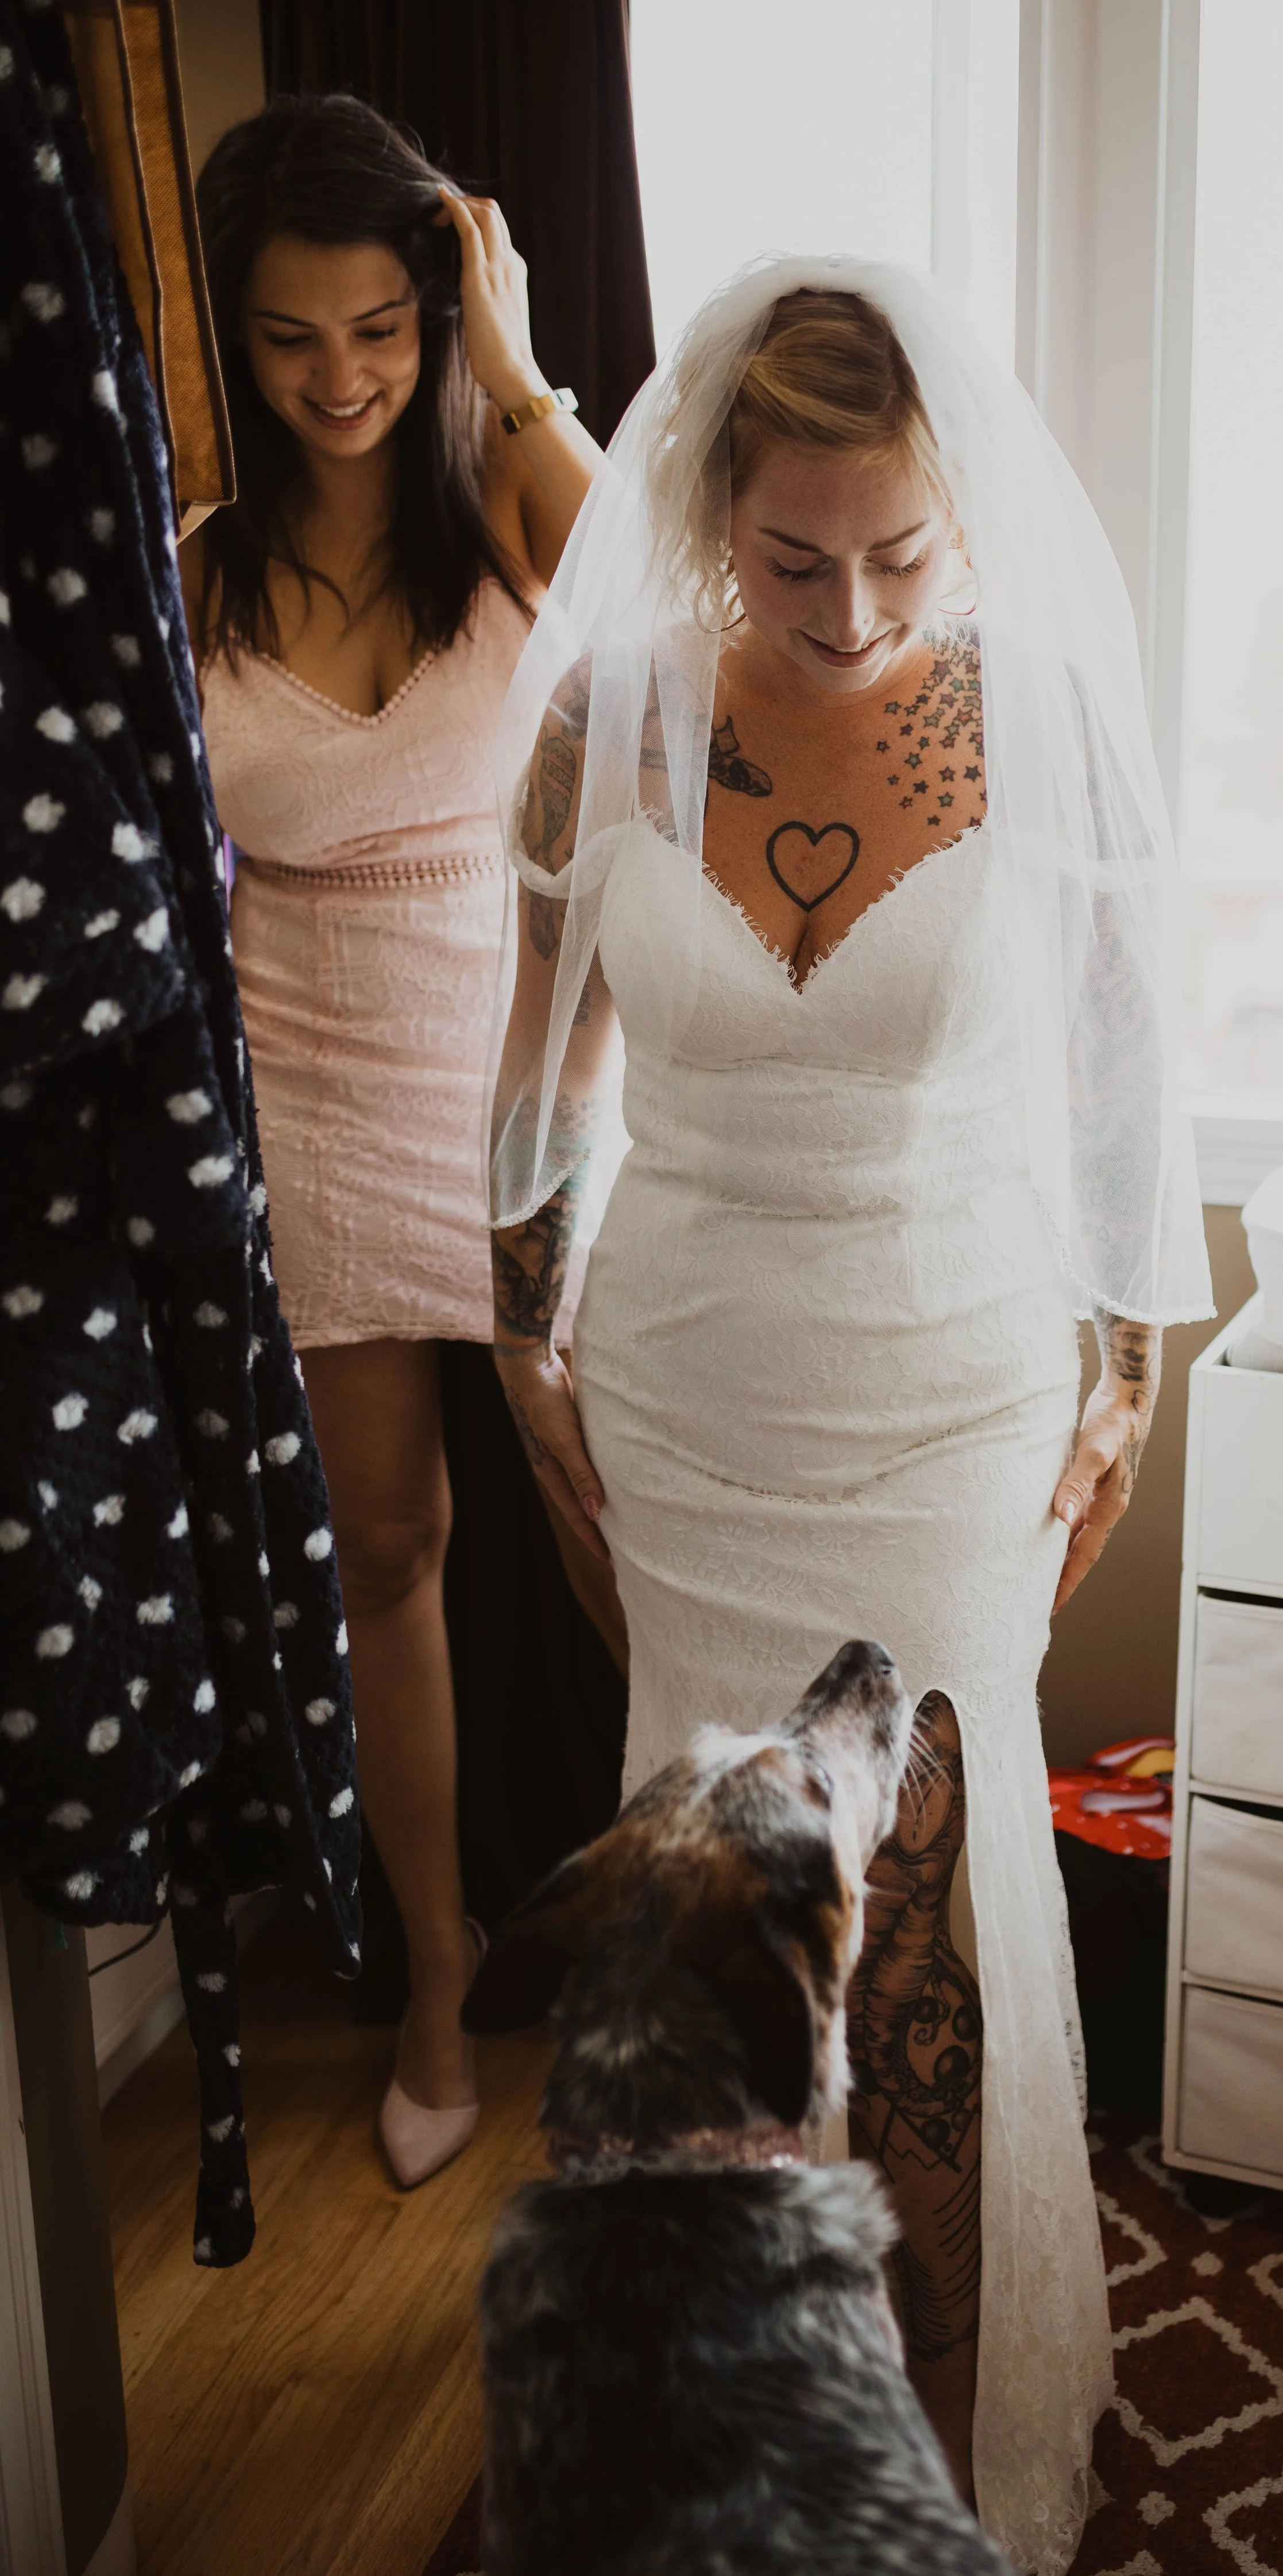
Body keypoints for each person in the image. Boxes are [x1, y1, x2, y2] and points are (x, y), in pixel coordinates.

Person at [484, 264, 1214, 2574]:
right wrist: (530, 1340)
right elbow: (544, 1080)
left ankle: (944, 2407)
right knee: (711, 1921)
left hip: (951, 1383)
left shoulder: (1042, 720)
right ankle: (722, 2411)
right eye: (796, 557)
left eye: (901, 553)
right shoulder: (599, 716)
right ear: (710, 508)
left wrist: (1127, 1365)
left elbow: (1114, 1094)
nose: (853, 605)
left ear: (961, 516)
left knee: (936, 1923)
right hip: (691, 1392)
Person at [182, 96, 616, 2190]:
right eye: (289, 339)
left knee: (630, 1550)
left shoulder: (513, 496)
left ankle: (694, 1984)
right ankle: (433, 1985)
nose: (343, 379)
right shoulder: (191, 569)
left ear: (436, 311)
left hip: (533, 1070)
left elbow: (673, 637)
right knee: (391, 1553)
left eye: (380, 327)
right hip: (314, 1096)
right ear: (226, 337)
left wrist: (515, 365)